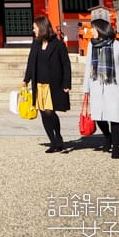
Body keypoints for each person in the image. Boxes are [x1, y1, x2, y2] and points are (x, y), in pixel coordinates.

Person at [82, 18, 119, 158]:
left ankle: (116, 148)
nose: (91, 31)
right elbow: (88, 66)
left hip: (114, 86)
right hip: (96, 85)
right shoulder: (91, 46)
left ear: (101, 29)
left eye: (93, 28)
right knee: (99, 117)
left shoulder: (117, 46)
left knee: (115, 118)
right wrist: (86, 88)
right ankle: (107, 136)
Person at [22, 15, 71, 153]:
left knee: (50, 111)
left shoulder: (58, 45)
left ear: (42, 28)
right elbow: (31, 62)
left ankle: (58, 137)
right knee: (43, 113)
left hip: (54, 83)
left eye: (35, 28)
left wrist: (67, 83)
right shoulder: (36, 44)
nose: (34, 30)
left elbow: (66, 65)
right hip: (39, 83)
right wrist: (26, 79)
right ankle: (53, 142)